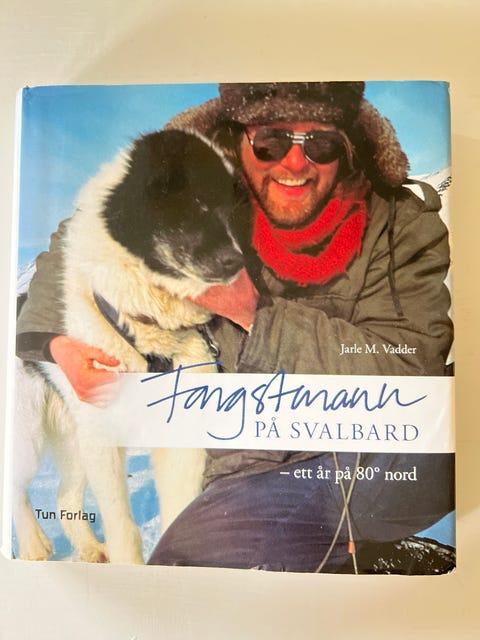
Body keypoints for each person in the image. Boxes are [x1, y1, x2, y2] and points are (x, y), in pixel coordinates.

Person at [16, 82, 454, 573]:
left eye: (321, 143)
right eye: (271, 141)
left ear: (348, 146)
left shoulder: (400, 224)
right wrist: (54, 341)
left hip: (367, 455)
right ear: (239, 139)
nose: (295, 163)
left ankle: (354, 548)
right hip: (245, 468)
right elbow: (84, 231)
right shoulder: (199, 181)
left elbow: (411, 367)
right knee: (187, 577)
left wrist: (255, 315)